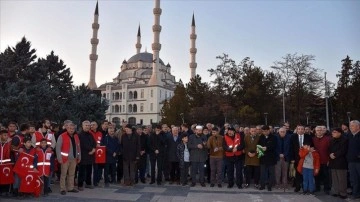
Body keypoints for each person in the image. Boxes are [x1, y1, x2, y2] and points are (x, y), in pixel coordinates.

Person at [56, 122, 81, 195]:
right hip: (64, 159)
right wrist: (59, 158)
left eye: (73, 129)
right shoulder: (62, 136)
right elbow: (58, 148)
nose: (71, 130)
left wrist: (79, 156)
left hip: (74, 158)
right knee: (63, 174)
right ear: (67, 128)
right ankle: (62, 189)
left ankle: (71, 188)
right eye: (70, 128)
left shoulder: (76, 136)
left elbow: (78, 147)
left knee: (72, 174)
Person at [290, 124, 313, 192]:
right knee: (297, 173)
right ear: (297, 130)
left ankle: (305, 187)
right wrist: (292, 158)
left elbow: (312, 146)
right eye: (299, 129)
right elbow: (291, 148)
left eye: (302, 129)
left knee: (305, 173)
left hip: (306, 159)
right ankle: (297, 187)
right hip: (296, 158)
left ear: (304, 130)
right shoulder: (293, 137)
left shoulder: (308, 137)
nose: (300, 130)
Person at [329, 128, 348, 199]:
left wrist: (335, 155)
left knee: (341, 178)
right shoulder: (332, 140)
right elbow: (329, 149)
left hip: (341, 162)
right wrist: (330, 154)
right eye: (332, 132)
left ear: (340, 133)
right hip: (333, 161)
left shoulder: (344, 140)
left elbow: (343, 150)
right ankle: (335, 191)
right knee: (334, 178)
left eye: (335, 132)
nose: (333, 133)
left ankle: (343, 193)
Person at [77, 121, 96, 190]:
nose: (87, 127)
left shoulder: (90, 134)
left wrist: (94, 149)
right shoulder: (80, 135)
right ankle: (80, 185)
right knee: (82, 171)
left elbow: (94, 142)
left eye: (88, 125)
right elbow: (83, 145)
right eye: (86, 125)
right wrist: (91, 149)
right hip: (83, 155)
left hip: (90, 156)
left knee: (89, 171)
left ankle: (88, 183)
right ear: (82, 126)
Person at [258, 125, 277, 191]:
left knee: (271, 173)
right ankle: (262, 185)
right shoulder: (261, 137)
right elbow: (259, 145)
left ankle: (270, 186)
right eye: (263, 131)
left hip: (271, 158)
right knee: (262, 173)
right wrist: (259, 149)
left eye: (265, 131)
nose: (264, 132)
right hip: (263, 158)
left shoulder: (274, 137)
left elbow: (274, 146)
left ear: (269, 130)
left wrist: (267, 148)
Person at [313, 126, 331, 194]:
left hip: (325, 160)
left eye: (320, 130)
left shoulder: (328, 139)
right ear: (315, 131)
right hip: (316, 161)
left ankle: (326, 188)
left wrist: (329, 159)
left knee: (326, 175)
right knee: (316, 175)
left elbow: (330, 149)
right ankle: (317, 187)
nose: (319, 131)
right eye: (318, 130)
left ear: (323, 131)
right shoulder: (313, 139)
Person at [347, 120, 360, 200]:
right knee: (353, 178)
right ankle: (356, 193)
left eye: (352, 126)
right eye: (350, 126)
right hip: (351, 161)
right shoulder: (349, 136)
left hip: (359, 161)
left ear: (358, 126)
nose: (350, 127)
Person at [90, 121, 104, 187]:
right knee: (89, 168)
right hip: (90, 152)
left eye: (93, 125)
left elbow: (101, 142)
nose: (92, 126)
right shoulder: (89, 133)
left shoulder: (100, 133)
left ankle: (96, 182)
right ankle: (88, 182)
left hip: (98, 153)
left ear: (97, 126)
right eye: (91, 125)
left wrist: (99, 144)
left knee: (96, 168)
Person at [0, 129, 12, 196]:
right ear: (0, 135)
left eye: (7, 135)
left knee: (6, 178)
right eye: (4, 135)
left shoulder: (9, 143)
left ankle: (5, 191)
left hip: (6, 164)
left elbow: (13, 151)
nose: (6, 136)